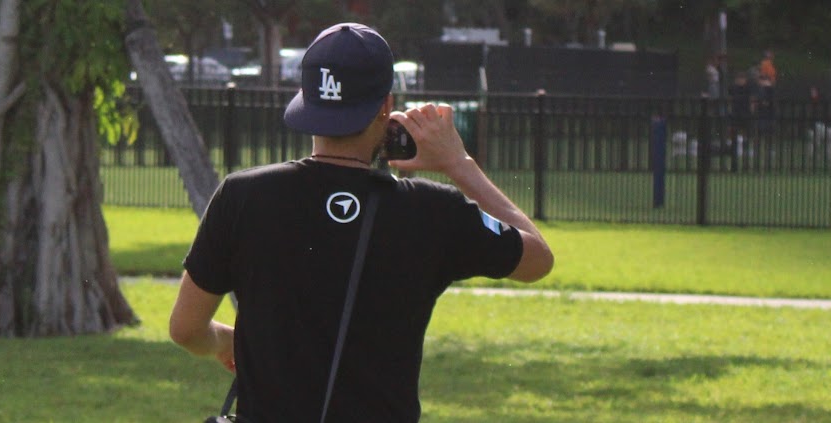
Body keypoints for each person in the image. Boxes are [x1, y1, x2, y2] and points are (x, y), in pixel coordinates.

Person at [169, 22, 555, 422]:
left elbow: (185, 329)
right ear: (386, 106)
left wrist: (222, 341)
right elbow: (538, 258)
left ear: (308, 98)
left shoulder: (243, 196)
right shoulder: (432, 210)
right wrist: (459, 163)